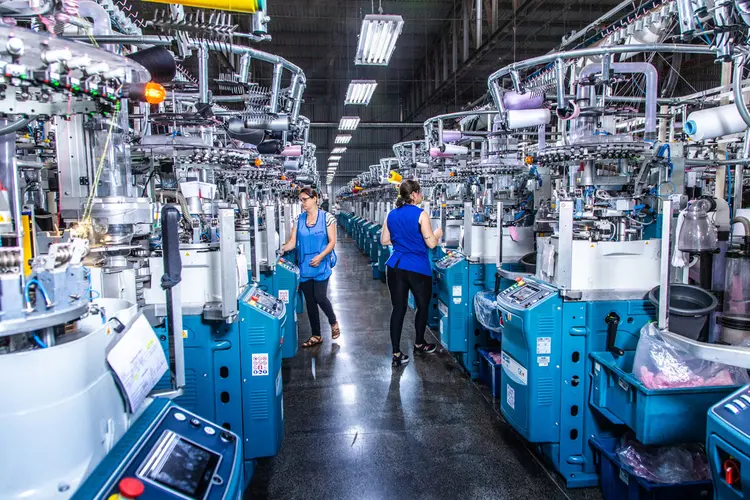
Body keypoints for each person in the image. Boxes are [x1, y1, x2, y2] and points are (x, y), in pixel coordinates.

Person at [381, 180, 443, 367]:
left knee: (398, 309)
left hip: (395, 266)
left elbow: (385, 240)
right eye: (420, 193)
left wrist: (403, 240)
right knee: (422, 306)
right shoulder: (421, 214)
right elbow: (431, 243)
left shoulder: (391, 214)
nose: (421, 196)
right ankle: (419, 343)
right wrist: (438, 232)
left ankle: (396, 353)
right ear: (414, 194)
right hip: (417, 267)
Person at [280, 187, 340, 347]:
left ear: (315, 199)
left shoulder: (328, 218)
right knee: (310, 302)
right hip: (305, 266)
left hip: (321, 265)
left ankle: (333, 321)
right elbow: (293, 241)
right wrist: (282, 248)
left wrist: (321, 257)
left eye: (305, 199)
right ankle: (316, 335)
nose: (302, 203)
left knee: (320, 297)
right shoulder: (299, 220)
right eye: (301, 200)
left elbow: (332, 241)